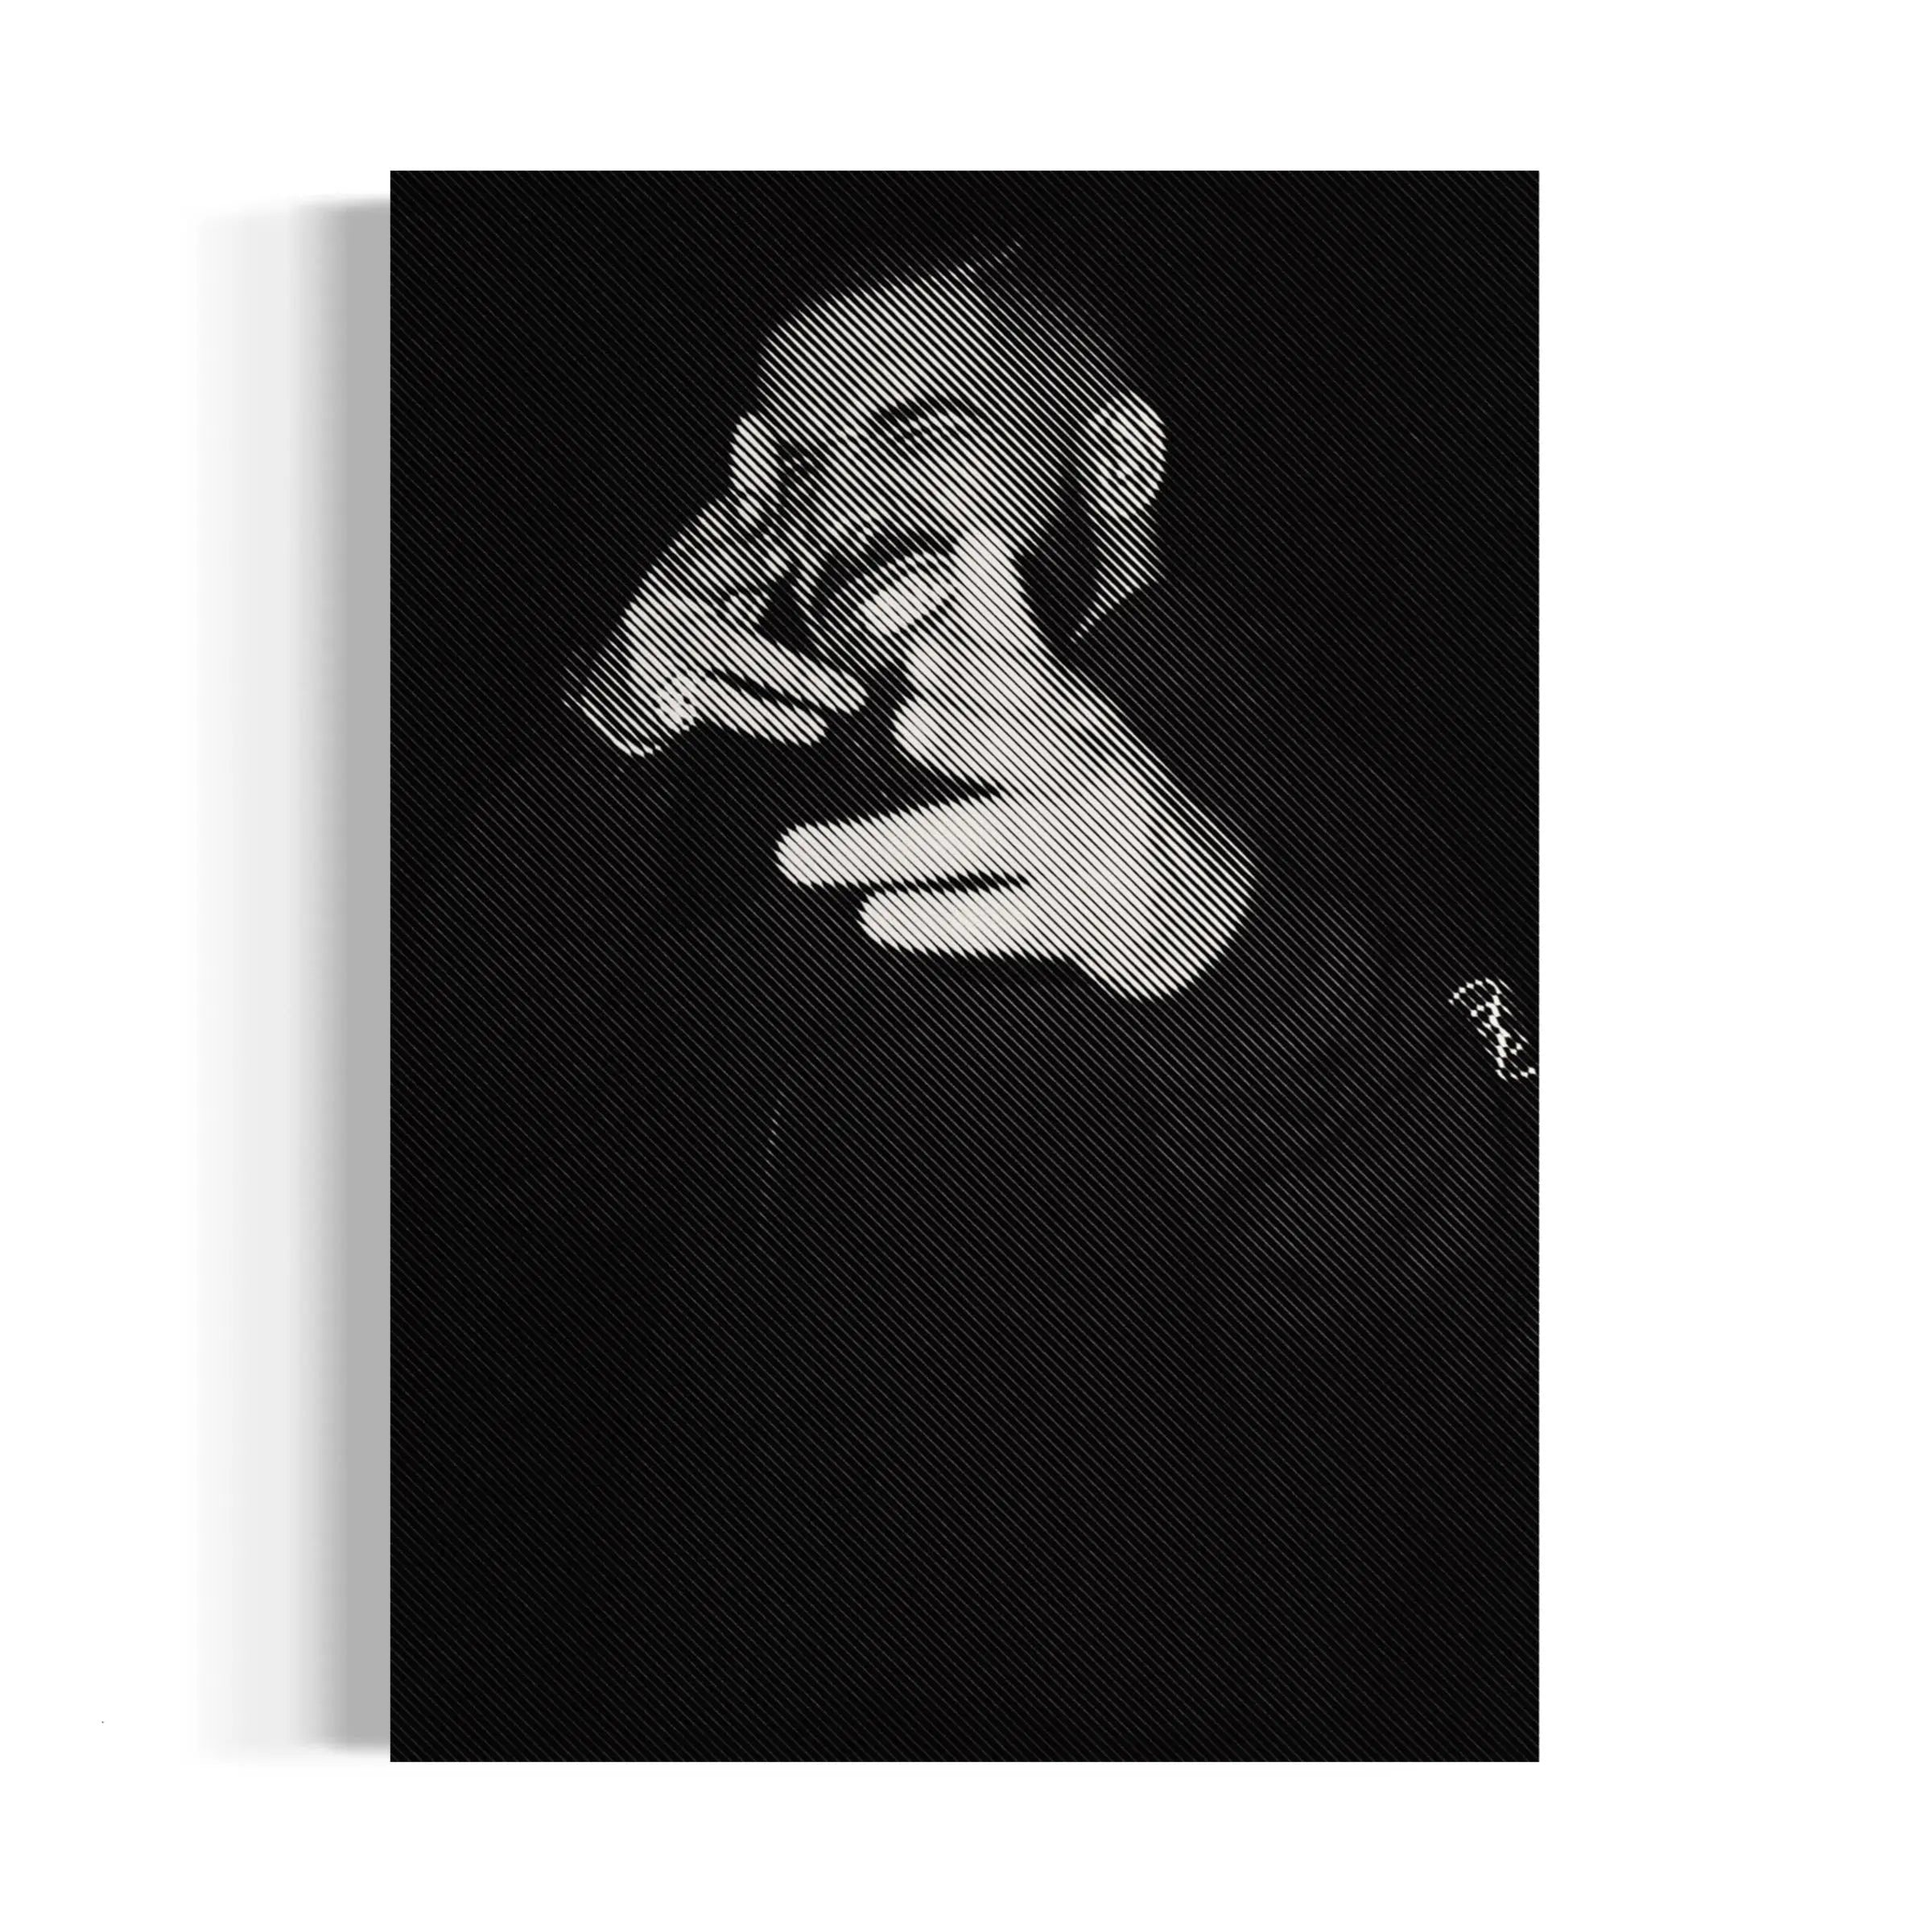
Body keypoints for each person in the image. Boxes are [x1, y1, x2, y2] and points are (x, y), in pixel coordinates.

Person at [395, 238, 1536, 1761]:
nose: (822, 505)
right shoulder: (797, 860)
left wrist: (1222, 950)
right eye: (790, 456)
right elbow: (503, 1137)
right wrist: (603, 757)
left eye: (907, 435)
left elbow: (1500, 1334)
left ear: (1116, 464)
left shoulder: (1340, 827)